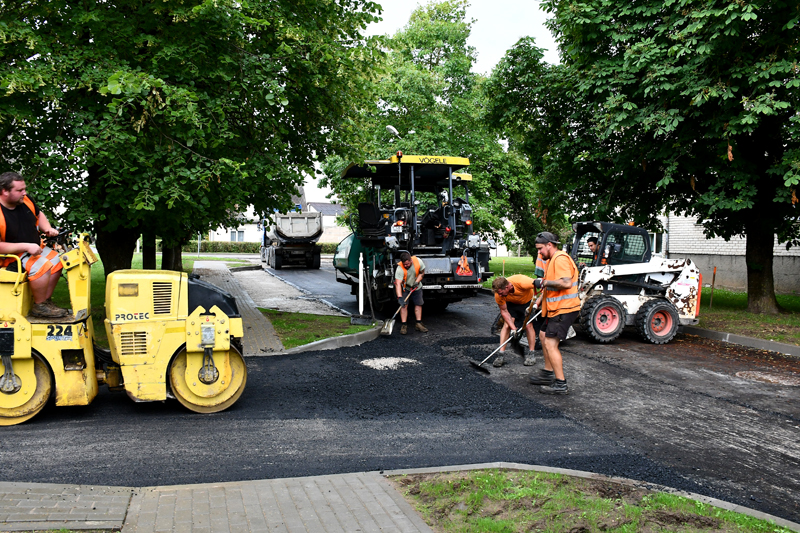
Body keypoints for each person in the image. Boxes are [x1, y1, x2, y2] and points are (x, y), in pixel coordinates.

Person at [0, 171, 68, 318]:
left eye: (24, 189)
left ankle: (43, 302)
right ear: (4, 191)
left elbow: (39, 214)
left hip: (33, 248)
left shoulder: (25, 200)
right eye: (19, 190)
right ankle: (40, 306)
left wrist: (47, 228)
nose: (24, 193)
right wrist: (25, 246)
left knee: (57, 261)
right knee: (41, 266)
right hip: (11, 256)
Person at [529, 231, 579, 394]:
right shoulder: (551, 260)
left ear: (550, 245)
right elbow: (553, 285)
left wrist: (542, 282)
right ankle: (547, 374)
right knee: (543, 336)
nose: (539, 252)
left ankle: (560, 384)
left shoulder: (560, 258)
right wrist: (539, 300)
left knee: (550, 343)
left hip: (564, 309)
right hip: (554, 309)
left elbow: (565, 283)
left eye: (540, 248)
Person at [491, 275, 538, 367]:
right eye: (498, 293)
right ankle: (501, 354)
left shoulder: (522, 282)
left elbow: (541, 284)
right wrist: (513, 328)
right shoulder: (499, 294)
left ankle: (531, 354)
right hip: (512, 303)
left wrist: (537, 304)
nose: (499, 295)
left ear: (507, 287)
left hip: (527, 302)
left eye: (501, 293)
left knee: (528, 325)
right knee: (507, 325)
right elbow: (504, 311)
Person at [394, 251, 427, 335]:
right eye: (404, 264)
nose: (406, 266)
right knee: (404, 306)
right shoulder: (400, 268)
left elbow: (422, 273)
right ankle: (404, 325)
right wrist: (400, 297)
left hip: (417, 286)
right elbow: (397, 283)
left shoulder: (418, 261)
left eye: (407, 264)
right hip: (406, 288)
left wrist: (417, 281)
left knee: (418, 304)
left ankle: (418, 323)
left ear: (411, 261)